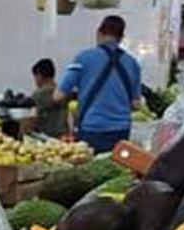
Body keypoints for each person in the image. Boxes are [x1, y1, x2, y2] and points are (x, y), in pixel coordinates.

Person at [57, 15, 142, 153]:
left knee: (90, 171)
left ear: (98, 32)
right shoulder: (133, 63)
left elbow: (58, 95)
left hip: (92, 128)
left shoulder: (83, 58)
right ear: (121, 38)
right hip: (121, 131)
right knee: (115, 170)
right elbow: (136, 105)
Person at [30, 58, 68, 138]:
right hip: (63, 137)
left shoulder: (38, 95)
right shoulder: (63, 93)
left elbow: (32, 119)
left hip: (45, 137)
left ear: (39, 76)